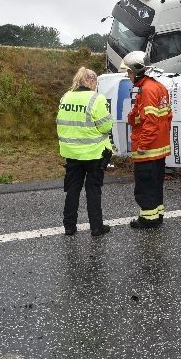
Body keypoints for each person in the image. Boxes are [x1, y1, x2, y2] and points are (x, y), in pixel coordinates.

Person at [57, 67, 114, 237]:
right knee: (93, 190)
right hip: (94, 154)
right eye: (95, 82)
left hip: (71, 152)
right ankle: (96, 227)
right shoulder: (97, 99)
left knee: (73, 189)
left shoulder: (65, 97)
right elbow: (106, 126)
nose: (96, 85)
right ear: (90, 81)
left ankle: (69, 226)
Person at [119, 51, 172, 229]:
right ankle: (157, 215)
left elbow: (150, 122)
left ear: (137, 70)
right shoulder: (157, 86)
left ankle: (148, 219)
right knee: (156, 183)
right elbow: (166, 117)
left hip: (148, 149)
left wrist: (143, 145)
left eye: (129, 72)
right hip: (159, 147)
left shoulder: (147, 90)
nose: (128, 75)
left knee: (145, 185)